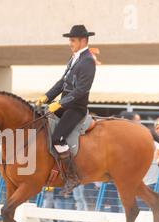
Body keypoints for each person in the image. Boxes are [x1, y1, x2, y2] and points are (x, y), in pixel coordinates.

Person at [34, 25, 96, 195]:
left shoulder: (88, 61)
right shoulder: (74, 58)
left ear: (83, 40)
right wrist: (46, 97)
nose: (70, 43)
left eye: (73, 40)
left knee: (58, 138)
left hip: (76, 108)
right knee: (39, 120)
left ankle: (72, 176)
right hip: (65, 105)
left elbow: (81, 90)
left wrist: (60, 104)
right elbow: (63, 82)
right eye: (70, 40)